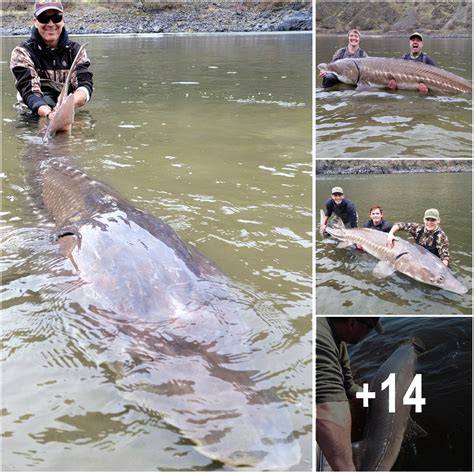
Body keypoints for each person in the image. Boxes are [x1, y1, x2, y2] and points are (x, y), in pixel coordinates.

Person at [316, 317, 383, 471]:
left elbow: (349, 386)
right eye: (370, 328)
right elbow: (327, 408)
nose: (369, 334)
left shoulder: (338, 341)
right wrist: (346, 468)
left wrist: (374, 397)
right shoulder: (319, 338)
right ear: (352, 323)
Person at [10, 1, 93, 121]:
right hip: (32, 112)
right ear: (35, 21)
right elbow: (29, 92)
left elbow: (84, 85)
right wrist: (49, 114)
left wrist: (67, 105)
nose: (50, 24)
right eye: (44, 18)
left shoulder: (76, 51)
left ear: (63, 20)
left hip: (66, 110)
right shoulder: (22, 53)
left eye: (56, 18)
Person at [386, 208, 450, 266]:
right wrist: (390, 234)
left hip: (434, 265)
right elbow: (399, 225)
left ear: (438, 221)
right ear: (424, 220)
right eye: (427, 219)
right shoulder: (418, 228)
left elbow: (445, 258)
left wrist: (441, 271)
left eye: (433, 220)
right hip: (419, 260)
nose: (429, 222)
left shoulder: (441, 236)